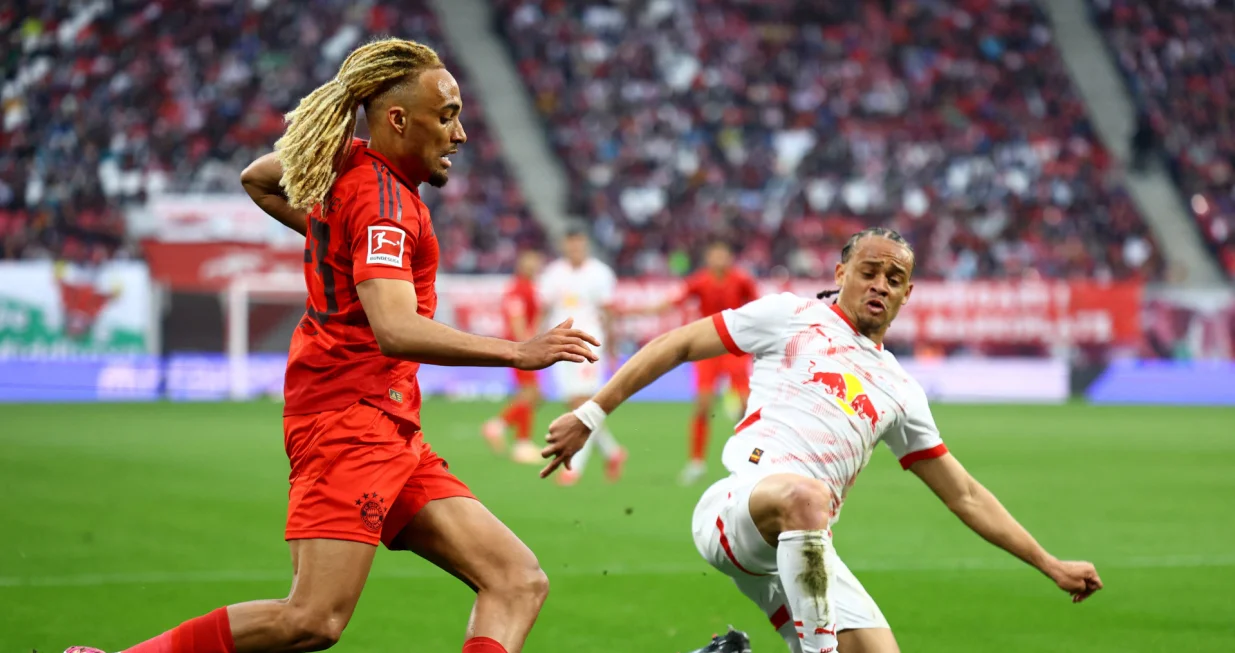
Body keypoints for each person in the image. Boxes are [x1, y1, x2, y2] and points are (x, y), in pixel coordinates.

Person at [67, 38, 599, 653]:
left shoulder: (356, 169)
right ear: (398, 119)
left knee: (516, 580)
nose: (461, 134)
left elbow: (258, 178)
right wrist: (517, 351)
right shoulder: (385, 205)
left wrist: (334, 191)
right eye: (448, 115)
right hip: (351, 422)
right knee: (311, 619)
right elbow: (395, 328)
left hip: (388, 423)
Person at [540, 227, 1103, 652]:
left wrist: (1048, 562)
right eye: (869, 270)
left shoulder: (902, 392)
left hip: (805, 549)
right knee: (807, 496)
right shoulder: (792, 316)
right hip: (740, 509)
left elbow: (965, 495)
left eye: (894, 278)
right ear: (840, 273)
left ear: (908, 294)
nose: (880, 284)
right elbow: (681, 343)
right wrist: (591, 414)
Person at [637, 240, 760, 485]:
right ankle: (696, 462)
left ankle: (751, 459)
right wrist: (643, 311)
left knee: (748, 405)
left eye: (722, 255)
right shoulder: (700, 280)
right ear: (708, 258)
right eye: (714, 255)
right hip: (708, 349)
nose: (718, 259)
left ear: (728, 257)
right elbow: (674, 301)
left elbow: (757, 307)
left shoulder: (742, 279)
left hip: (735, 348)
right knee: (703, 405)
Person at [538, 227, 626, 486]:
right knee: (573, 404)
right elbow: (545, 309)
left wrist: (611, 348)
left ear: (585, 244)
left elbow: (609, 314)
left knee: (581, 403)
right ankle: (613, 452)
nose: (574, 249)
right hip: (559, 343)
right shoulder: (553, 273)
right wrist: (533, 341)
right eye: (570, 244)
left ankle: (574, 466)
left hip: (589, 343)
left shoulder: (599, 274)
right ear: (565, 245)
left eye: (578, 244)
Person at [483, 250, 546, 464]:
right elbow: (516, 319)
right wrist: (526, 346)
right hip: (520, 348)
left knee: (531, 395)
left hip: (523, 346)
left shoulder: (529, 287)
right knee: (532, 394)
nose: (534, 265)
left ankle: (517, 440)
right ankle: (503, 430)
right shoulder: (518, 289)